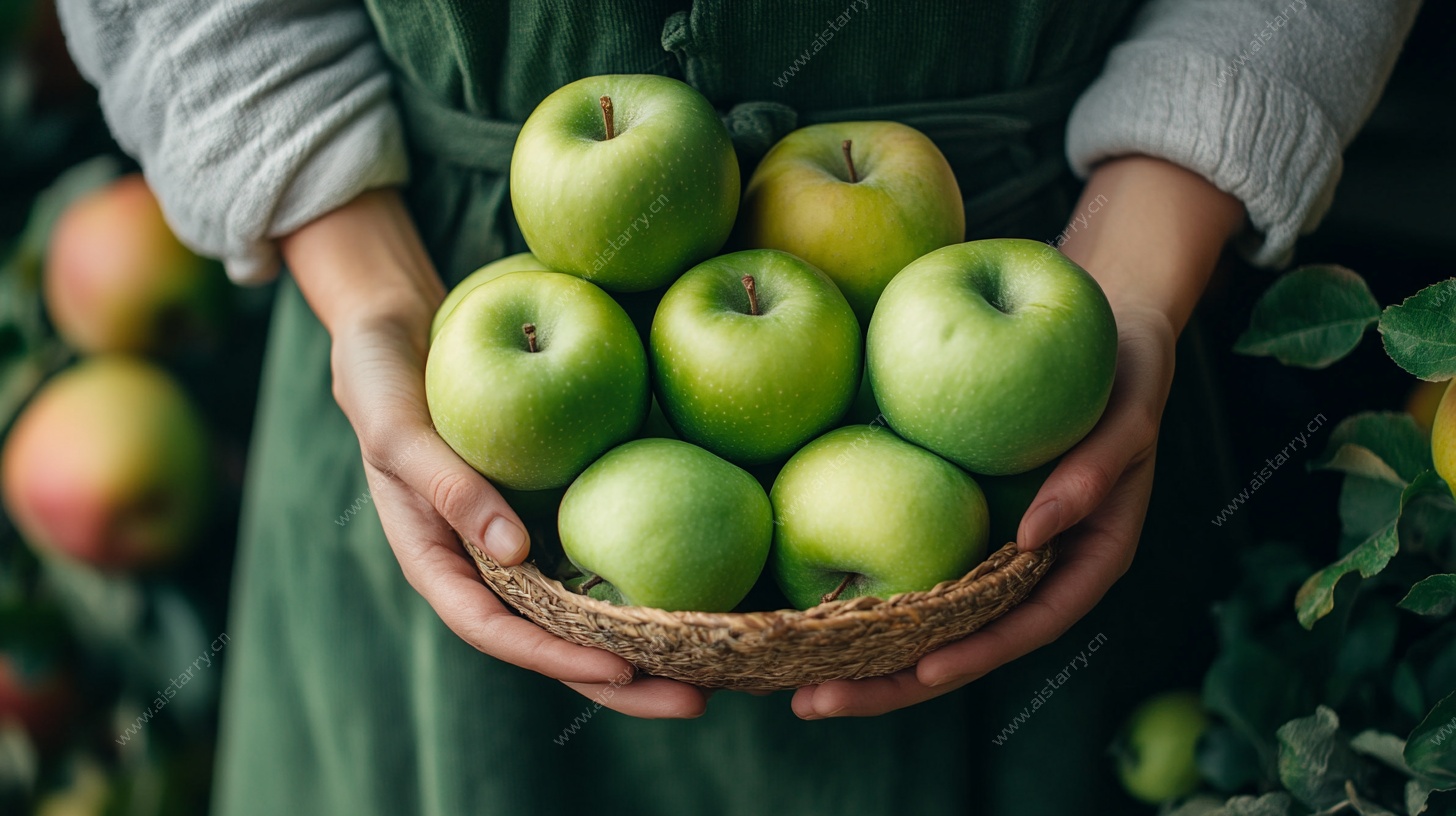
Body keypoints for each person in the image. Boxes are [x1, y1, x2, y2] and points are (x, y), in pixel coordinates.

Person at [56, 1, 1419, 813]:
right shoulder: (435, 345)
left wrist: (1136, 274)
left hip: (1055, 357)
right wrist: (369, 296)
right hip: (437, 367)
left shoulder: (1074, 339)